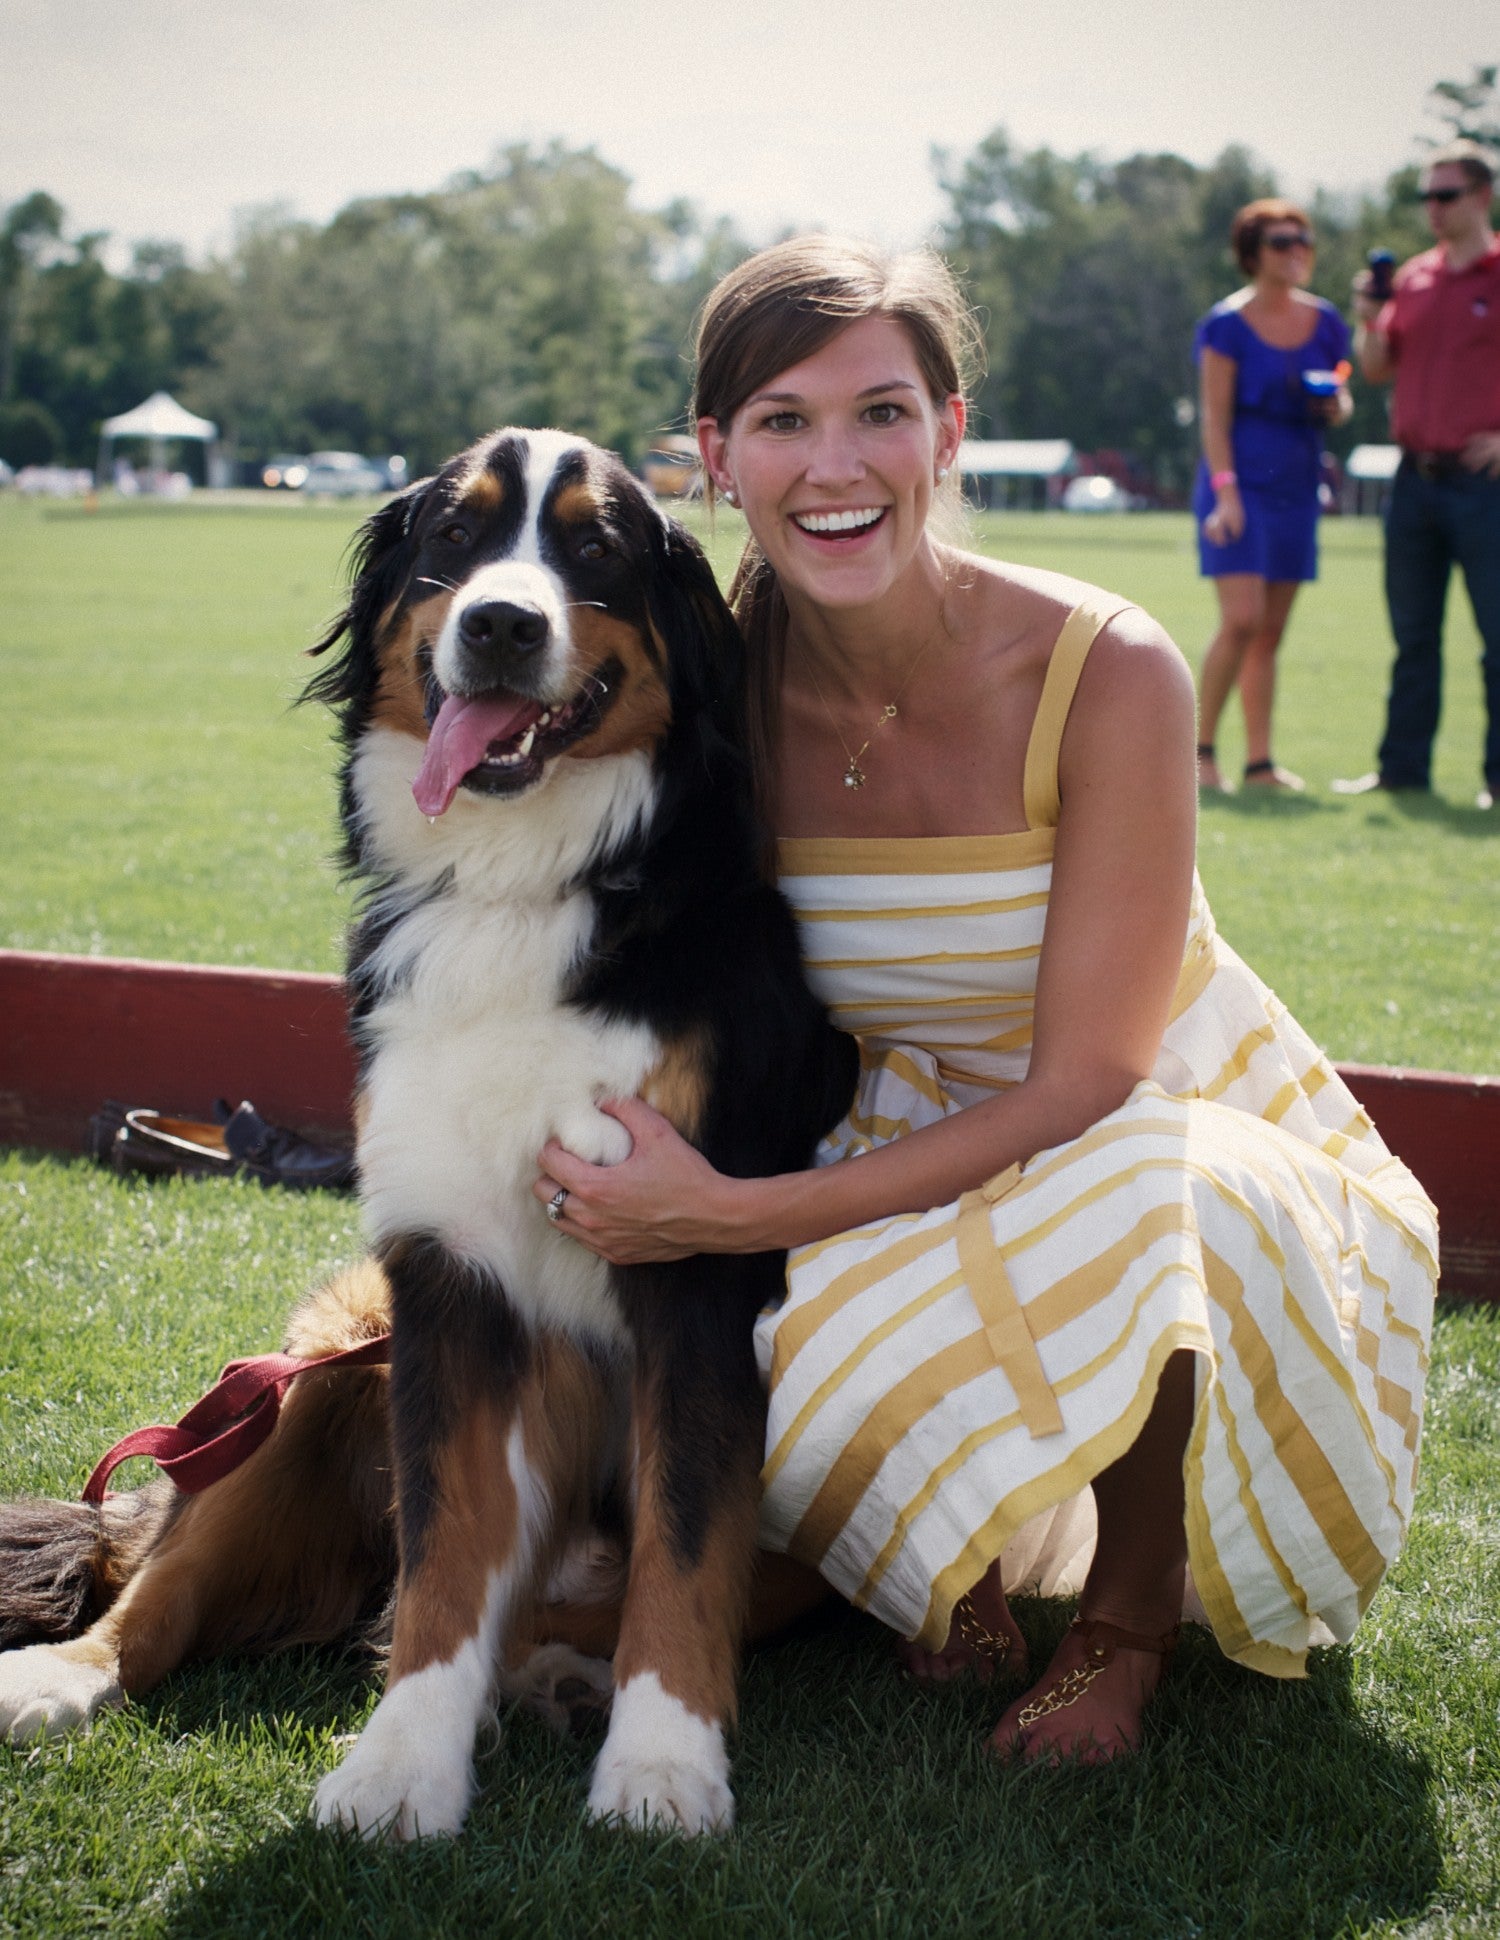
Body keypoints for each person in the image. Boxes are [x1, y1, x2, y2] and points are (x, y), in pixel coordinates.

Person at [534, 237, 1438, 1764]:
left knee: (1148, 1190)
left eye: (881, 413)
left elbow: (1089, 1083)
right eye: (783, 420)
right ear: (715, 455)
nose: (837, 464)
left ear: (949, 432)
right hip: (875, 1133)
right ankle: (951, 1556)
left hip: (1161, 1127)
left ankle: (1124, 1622)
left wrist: (728, 1218)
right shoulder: (705, 686)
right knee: (723, 1375)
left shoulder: (1110, 668)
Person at [1334, 140, 1500, 810]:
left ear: (1482, 196)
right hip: (1415, 481)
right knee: (1413, 638)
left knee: (1498, 639)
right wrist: (1367, 319)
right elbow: (1376, 368)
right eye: (1426, 196)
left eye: (1445, 195)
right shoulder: (1414, 278)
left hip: (1484, 485)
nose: (1433, 207)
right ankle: (1402, 772)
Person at [1192, 201, 1352, 794]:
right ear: (1252, 253)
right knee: (1241, 620)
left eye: (1303, 240)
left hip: (1296, 487)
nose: (1297, 251)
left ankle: (1260, 766)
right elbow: (1213, 418)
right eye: (1282, 242)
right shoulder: (1226, 324)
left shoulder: (1326, 320)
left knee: (1270, 633)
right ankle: (1199, 756)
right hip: (1238, 486)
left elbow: (1342, 395)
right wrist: (1226, 494)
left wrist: (1336, 406)